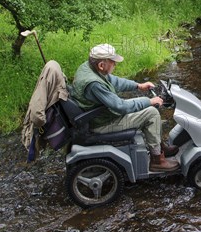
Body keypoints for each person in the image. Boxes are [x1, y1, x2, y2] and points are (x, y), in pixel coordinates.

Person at [70, 43, 179, 171]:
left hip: (99, 115)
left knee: (145, 106)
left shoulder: (88, 67)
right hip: (102, 123)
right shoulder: (94, 84)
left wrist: (138, 85)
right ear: (101, 65)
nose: (115, 65)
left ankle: (159, 148)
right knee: (151, 113)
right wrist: (149, 101)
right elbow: (121, 107)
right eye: (113, 62)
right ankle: (157, 160)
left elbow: (114, 81)